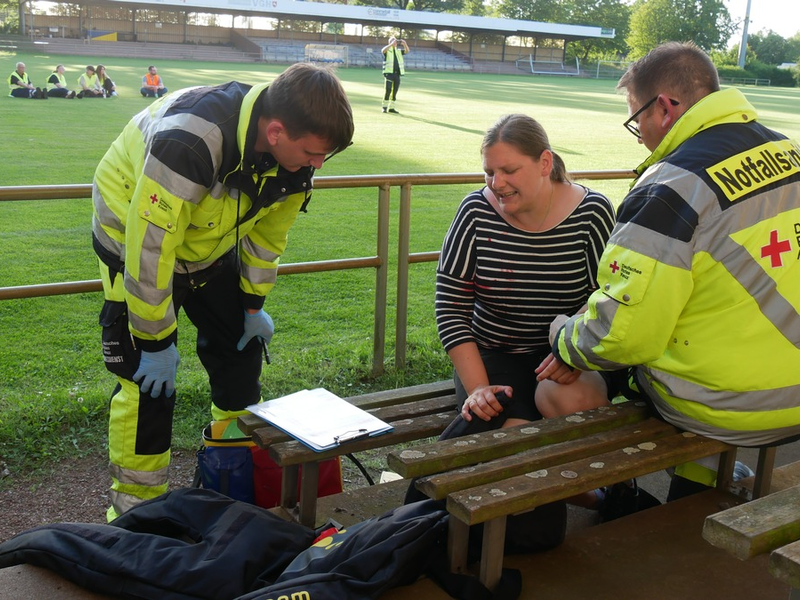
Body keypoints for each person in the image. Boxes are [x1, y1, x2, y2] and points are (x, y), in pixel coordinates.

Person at [91, 62, 354, 520]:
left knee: (240, 353)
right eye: (313, 153)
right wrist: (154, 341)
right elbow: (150, 248)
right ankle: (135, 513)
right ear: (275, 132)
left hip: (207, 245)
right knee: (147, 385)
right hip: (132, 241)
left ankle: (232, 474)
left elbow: (267, 237)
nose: (317, 164)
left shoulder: (294, 162)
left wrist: (252, 304)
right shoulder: (189, 140)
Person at [543, 41, 800, 501]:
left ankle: (660, 492)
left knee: (627, 368)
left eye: (636, 119)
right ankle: (704, 483)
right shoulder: (789, 151)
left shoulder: (671, 188)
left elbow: (624, 337)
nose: (639, 134)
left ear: (665, 107)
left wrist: (563, 336)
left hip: (734, 408)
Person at [436, 113, 615, 437]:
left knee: (574, 403)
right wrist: (478, 389)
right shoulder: (475, 212)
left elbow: (607, 294)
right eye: (489, 172)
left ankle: (609, 469)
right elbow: (451, 308)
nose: (496, 183)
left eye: (509, 171)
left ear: (545, 163)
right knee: (512, 440)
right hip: (492, 356)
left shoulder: (592, 212)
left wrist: (571, 350)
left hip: (569, 351)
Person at [380, 36, 408, 114]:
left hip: (397, 74)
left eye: (395, 41)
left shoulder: (398, 51)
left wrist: (405, 44)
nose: (395, 43)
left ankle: (392, 108)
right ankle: (384, 107)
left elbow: (407, 51)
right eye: (393, 41)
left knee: (394, 91)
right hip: (389, 74)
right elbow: (383, 50)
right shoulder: (388, 50)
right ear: (390, 42)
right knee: (388, 90)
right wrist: (390, 45)